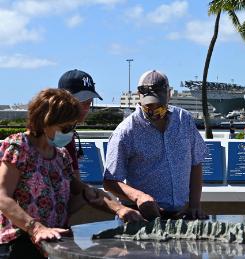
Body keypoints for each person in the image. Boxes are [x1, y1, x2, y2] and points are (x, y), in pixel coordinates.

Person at [0, 89, 143, 258]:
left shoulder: (61, 156)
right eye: (66, 127)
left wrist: (120, 209)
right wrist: (36, 228)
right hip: (23, 242)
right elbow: (3, 197)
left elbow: (86, 192)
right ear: (45, 121)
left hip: (55, 242)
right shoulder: (19, 147)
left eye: (73, 126)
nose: (70, 132)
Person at [103, 70, 208, 221]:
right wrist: (139, 197)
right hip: (140, 216)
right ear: (139, 96)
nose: (153, 109)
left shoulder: (184, 120)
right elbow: (110, 181)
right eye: (148, 105)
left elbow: (196, 162)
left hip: (180, 214)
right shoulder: (125, 132)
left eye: (159, 103)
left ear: (169, 94)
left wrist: (195, 205)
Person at [58, 69, 103, 180]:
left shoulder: (68, 132)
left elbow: (75, 180)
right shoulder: (48, 135)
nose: (86, 108)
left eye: (89, 102)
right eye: (81, 102)